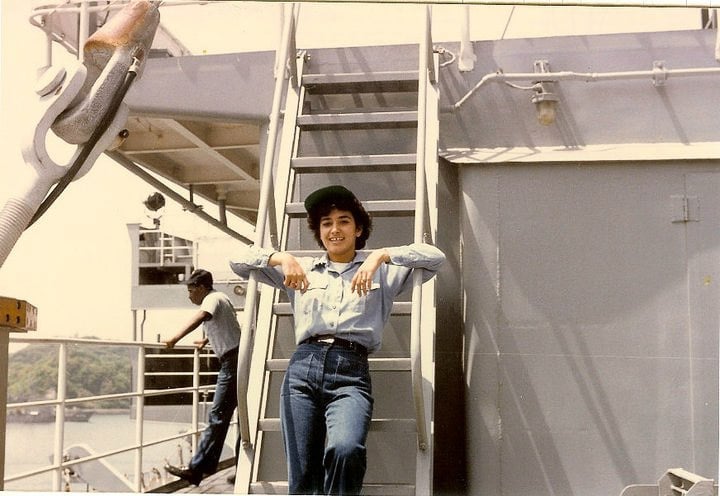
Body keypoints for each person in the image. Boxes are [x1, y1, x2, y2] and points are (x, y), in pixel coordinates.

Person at [230, 185, 445, 495]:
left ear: (358, 228)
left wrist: (380, 256)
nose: (335, 229)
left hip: (350, 372)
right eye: (326, 223)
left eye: (343, 221)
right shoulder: (301, 270)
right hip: (302, 369)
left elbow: (435, 258)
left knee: (346, 448)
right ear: (319, 232)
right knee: (303, 476)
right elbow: (238, 261)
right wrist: (281, 257)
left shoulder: (384, 273)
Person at [163, 269, 242, 486]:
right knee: (234, 418)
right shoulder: (221, 298)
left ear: (202, 288)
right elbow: (226, 325)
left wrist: (175, 338)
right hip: (236, 358)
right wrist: (206, 341)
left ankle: (196, 470)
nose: (189, 296)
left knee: (218, 416)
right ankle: (236, 468)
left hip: (232, 361)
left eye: (191, 290)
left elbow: (202, 317)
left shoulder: (212, 298)